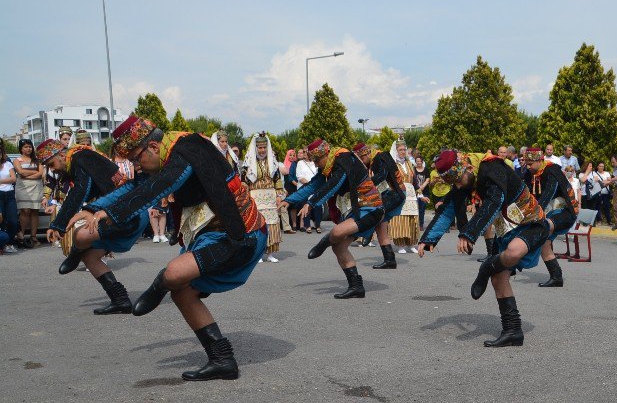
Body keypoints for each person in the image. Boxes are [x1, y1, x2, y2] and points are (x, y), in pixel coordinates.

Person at [67, 115, 267, 380]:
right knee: (182, 292)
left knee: (173, 275)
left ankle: (157, 286)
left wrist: (111, 214)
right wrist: (92, 209)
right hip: (212, 235)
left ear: (152, 147)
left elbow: (162, 185)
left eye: (137, 159)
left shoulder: (188, 147)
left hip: (240, 234)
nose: (137, 166)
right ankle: (222, 359)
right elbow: (135, 187)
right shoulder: (167, 158)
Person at [418, 150, 550, 347]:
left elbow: (494, 201)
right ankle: (513, 331)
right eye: (453, 183)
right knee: (499, 278)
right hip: (505, 230)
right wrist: (428, 238)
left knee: (513, 252)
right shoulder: (466, 178)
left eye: (458, 180)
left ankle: (486, 266)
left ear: (468, 168)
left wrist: (468, 233)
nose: (458, 186)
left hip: (530, 224)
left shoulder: (491, 167)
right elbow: (449, 208)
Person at [41, 138, 148, 314]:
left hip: (127, 214)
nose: (52, 169)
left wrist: (58, 225)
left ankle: (75, 252)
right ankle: (120, 300)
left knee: (81, 235)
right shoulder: (80, 157)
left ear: (60, 154)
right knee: (90, 257)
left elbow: (79, 192)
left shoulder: (80, 158)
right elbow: (83, 191)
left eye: (51, 164)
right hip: (121, 213)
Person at [280, 139, 385, 299]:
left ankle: (323, 243)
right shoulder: (328, 167)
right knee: (339, 247)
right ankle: (356, 287)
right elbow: (311, 186)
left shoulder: (343, 158)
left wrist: (311, 202)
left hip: (372, 207)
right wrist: (288, 200)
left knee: (336, 232)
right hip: (358, 209)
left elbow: (334, 184)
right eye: (313, 161)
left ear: (325, 154)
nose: (315, 165)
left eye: (316, 160)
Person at [525, 148, 578, 287]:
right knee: (544, 244)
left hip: (565, 212)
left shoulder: (552, 170)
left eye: (531, 163)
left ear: (539, 160)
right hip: (549, 212)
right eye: (527, 163)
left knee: (543, 228)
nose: (528, 166)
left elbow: (548, 193)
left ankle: (515, 261)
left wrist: (533, 214)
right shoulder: (531, 173)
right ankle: (557, 277)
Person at [355, 143, 406, 268]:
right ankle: (390, 260)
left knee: (375, 213)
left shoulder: (380, 157)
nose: (362, 162)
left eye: (361, 159)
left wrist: (364, 186)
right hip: (392, 192)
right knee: (380, 226)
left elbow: (382, 175)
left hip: (395, 193)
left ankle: (368, 234)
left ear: (366, 154)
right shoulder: (376, 158)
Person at [242, 133, 283, 263]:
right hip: (255, 196)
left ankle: (270, 253)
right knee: (257, 224)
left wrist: (279, 195)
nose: (262, 150)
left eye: (264, 147)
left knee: (272, 224)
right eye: (260, 148)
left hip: (270, 196)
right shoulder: (248, 163)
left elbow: (277, 179)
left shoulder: (272, 162)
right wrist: (246, 197)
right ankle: (258, 253)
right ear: (255, 148)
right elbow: (244, 182)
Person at [389, 140, 419, 254]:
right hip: (399, 192)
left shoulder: (409, 163)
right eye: (400, 150)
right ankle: (400, 244)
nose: (402, 152)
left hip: (410, 193)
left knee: (412, 218)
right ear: (396, 151)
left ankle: (411, 243)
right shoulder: (393, 164)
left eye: (404, 150)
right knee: (400, 218)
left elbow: (414, 179)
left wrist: (419, 191)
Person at [13, 139, 44, 248]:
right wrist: (34, 172)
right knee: (25, 210)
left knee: (35, 211)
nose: (28, 149)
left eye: (30, 146)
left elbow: (41, 173)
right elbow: (20, 172)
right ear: (21, 148)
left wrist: (28, 175)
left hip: (36, 186)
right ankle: (21, 236)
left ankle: (33, 237)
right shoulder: (17, 160)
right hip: (23, 187)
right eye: (25, 147)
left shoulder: (37, 160)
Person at [294, 149, 323, 233]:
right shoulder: (300, 163)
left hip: (315, 187)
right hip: (305, 187)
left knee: (317, 205)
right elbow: (299, 176)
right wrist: (310, 184)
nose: (305, 153)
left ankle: (318, 225)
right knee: (305, 206)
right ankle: (308, 226)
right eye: (304, 152)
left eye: (307, 152)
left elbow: (319, 174)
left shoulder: (315, 162)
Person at [0, 150, 19, 252]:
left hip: (9, 194)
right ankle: (3, 244)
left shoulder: (7, 164)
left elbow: (14, 179)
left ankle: (9, 242)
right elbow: (10, 179)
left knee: (13, 221)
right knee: (1, 220)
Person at [413, 154, 431, 229]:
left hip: (425, 191)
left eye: (420, 161)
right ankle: (415, 224)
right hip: (415, 192)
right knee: (415, 209)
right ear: (415, 162)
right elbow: (412, 180)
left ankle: (421, 224)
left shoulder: (426, 169)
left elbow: (428, 179)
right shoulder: (413, 169)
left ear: (422, 161)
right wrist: (418, 188)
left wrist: (423, 186)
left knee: (422, 209)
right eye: (417, 161)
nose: (418, 162)